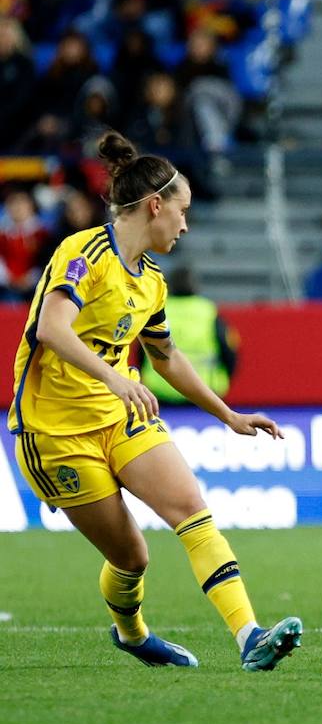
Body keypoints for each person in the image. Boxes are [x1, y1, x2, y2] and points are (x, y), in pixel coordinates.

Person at [7, 131, 301, 671]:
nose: (186, 225)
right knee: (131, 556)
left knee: (192, 510)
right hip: (54, 434)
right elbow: (52, 328)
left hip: (120, 419)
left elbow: (165, 358)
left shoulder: (153, 283)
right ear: (155, 205)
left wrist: (228, 414)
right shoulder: (84, 252)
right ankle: (132, 633)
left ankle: (250, 637)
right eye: (182, 212)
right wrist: (116, 379)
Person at [141, 266, 238, 403]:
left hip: (161, 391)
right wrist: (225, 379)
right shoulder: (208, 311)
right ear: (195, 285)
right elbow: (229, 351)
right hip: (204, 392)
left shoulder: (159, 308)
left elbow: (142, 348)